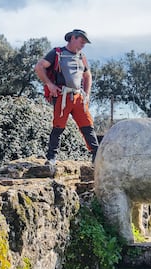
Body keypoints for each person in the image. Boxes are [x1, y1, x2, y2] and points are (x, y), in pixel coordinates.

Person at [34, 29, 99, 167]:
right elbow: (39, 67)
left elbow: (88, 76)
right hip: (62, 96)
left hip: (78, 97)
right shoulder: (57, 53)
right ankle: (51, 157)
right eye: (81, 42)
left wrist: (87, 94)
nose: (83, 45)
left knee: (87, 125)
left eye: (85, 43)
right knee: (58, 127)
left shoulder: (82, 57)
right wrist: (49, 84)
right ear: (73, 38)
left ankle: (96, 154)